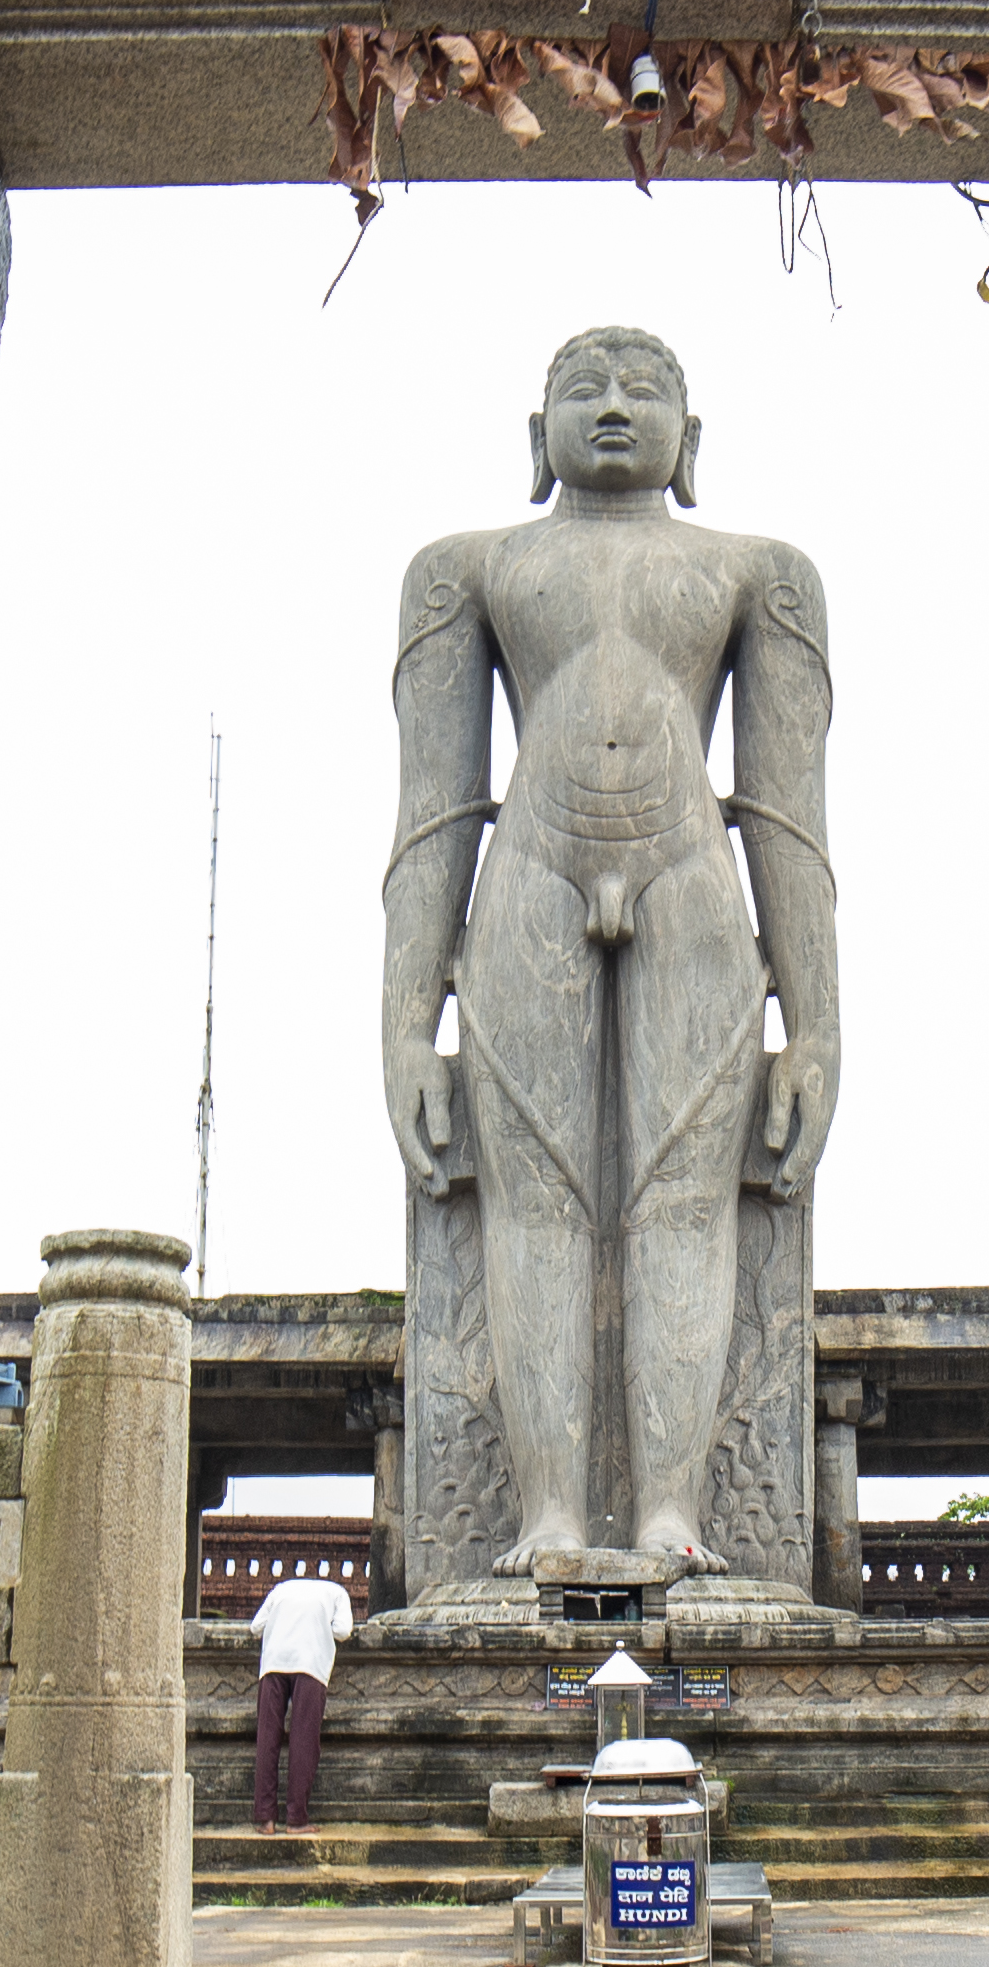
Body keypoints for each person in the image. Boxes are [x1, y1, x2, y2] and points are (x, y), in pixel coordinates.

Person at [380, 324, 841, 1572]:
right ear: (537, 438)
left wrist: (818, 1027)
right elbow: (434, 810)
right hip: (525, 880)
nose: (618, 406)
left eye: (648, 390)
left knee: (684, 1202)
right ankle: (543, 1514)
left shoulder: (762, 573)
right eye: (585, 389)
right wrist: (405, 1026)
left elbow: (787, 814)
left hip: (695, 886)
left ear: (695, 440)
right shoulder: (463, 571)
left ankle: (672, 1513)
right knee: (534, 1200)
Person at [246, 1563, 358, 1830]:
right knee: (303, 1740)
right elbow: (343, 1631)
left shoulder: (280, 1590)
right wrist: (317, 1629)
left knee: (267, 1740)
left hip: (273, 1664)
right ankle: (296, 1819)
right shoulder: (337, 1592)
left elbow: (256, 1627)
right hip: (310, 1665)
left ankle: (266, 1818)